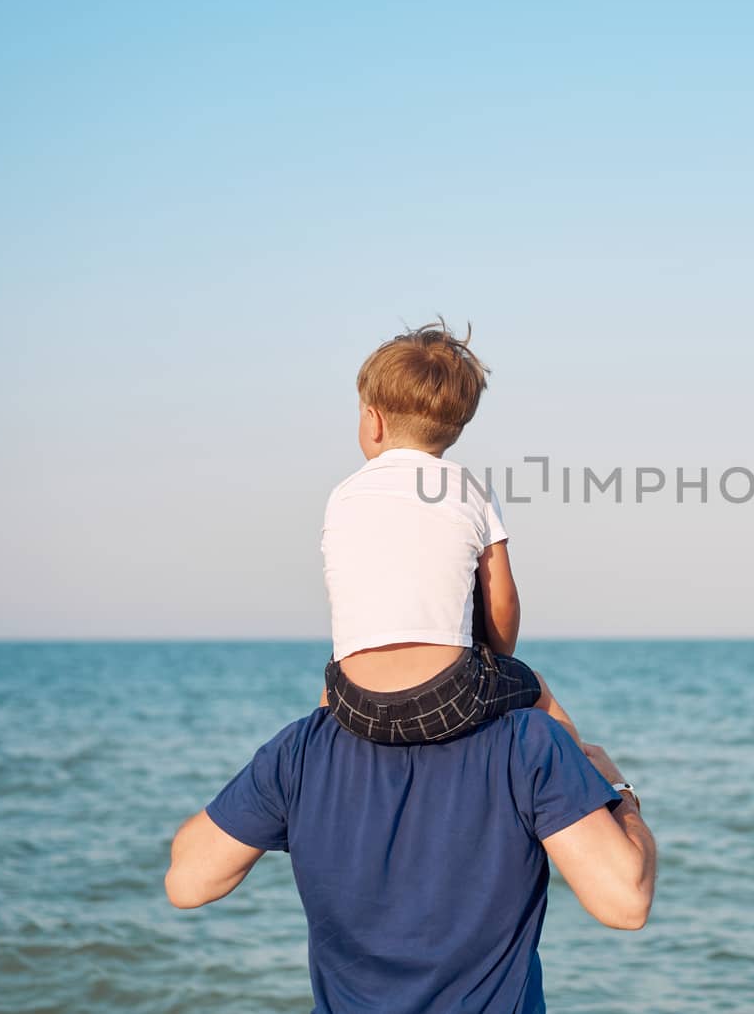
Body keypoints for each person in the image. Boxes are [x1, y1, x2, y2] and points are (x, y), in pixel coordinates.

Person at [165, 708, 656, 1013]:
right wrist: (619, 793)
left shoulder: (302, 749)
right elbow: (625, 903)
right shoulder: (527, 742)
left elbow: (186, 883)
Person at [317, 319, 579, 745]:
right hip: (450, 697)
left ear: (373, 420)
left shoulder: (343, 495)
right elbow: (502, 602)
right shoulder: (471, 489)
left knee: (336, 670)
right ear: (457, 427)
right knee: (538, 690)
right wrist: (500, 658)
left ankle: (319, 758)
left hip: (352, 703)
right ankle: (586, 775)